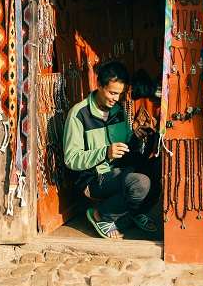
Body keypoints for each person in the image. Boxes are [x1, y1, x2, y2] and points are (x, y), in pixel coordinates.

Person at [63, 61, 158, 239]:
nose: (116, 98)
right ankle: (103, 215)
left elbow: (126, 149)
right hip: (94, 178)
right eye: (112, 93)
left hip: (119, 171)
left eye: (120, 94)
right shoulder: (79, 114)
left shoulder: (118, 110)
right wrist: (105, 152)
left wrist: (136, 137)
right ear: (99, 85)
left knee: (158, 168)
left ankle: (135, 212)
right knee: (140, 183)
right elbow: (71, 158)